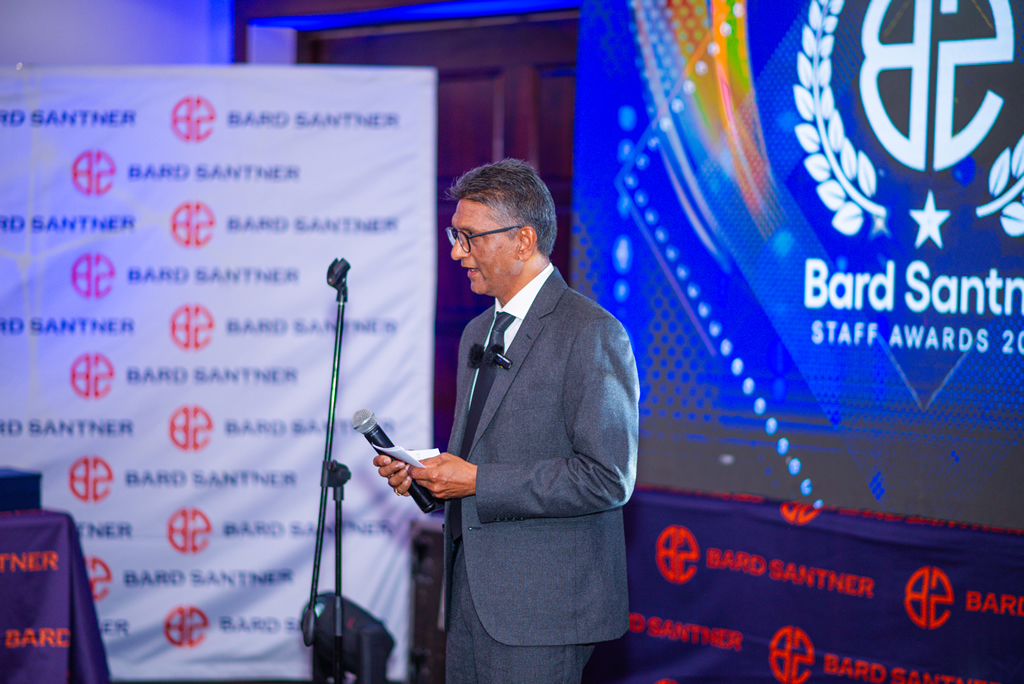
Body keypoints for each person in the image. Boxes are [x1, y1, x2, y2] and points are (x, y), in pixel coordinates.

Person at [374, 158, 639, 683]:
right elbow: (484, 453)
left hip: (542, 609)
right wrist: (428, 475)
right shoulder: (477, 331)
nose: (457, 252)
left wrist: (476, 480)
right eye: (455, 236)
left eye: (469, 237)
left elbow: (607, 477)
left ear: (523, 240)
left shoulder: (591, 332)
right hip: (469, 593)